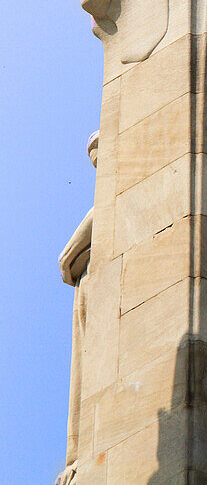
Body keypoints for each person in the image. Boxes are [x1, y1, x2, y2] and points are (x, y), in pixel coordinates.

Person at [56, 133, 98, 485]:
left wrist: (72, 256)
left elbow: (66, 258)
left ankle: (79, 457)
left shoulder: (105, 206)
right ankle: (77, 456)